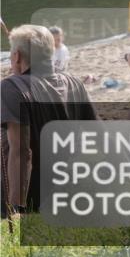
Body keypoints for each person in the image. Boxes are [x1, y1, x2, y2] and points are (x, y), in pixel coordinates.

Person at [2, 25, 98, 214]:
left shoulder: (12, 87)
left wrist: (15, 209)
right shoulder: (73, 82)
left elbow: (22, 152)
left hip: (33, 195)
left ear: (17, 57)